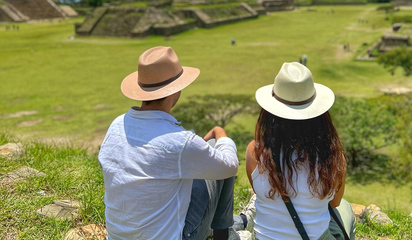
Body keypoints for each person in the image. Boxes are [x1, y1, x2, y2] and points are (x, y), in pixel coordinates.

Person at [98, 46, 241, 240]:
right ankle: (224, 234)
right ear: (177, 90)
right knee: (219, 151)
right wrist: (220, 133)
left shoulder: (116, 125)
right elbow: (230, 165)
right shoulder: (180, 142)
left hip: (117, 236)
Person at [245, 62, 355, 240]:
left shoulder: (255, 151)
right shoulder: (333, 157)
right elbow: (334, 203)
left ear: (270, 112)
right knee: (345, 209)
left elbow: (260, 192)